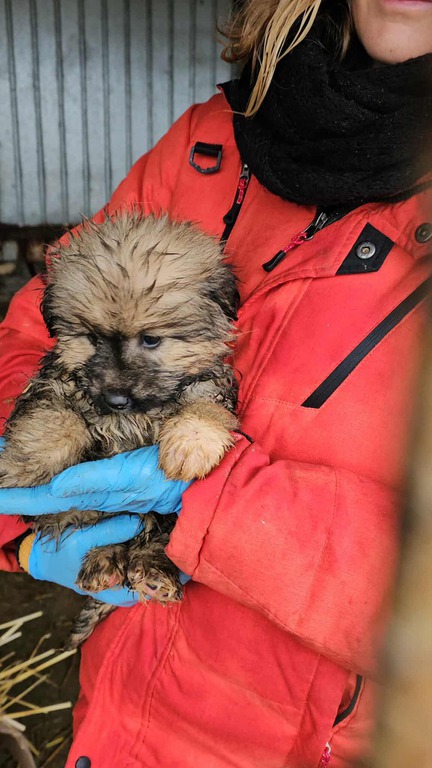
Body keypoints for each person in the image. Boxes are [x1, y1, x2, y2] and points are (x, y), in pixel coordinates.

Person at [0, 0, 431, 765]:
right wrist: (24, 530)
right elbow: (38, 332)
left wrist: (222, 497)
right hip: (115, 715)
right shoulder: (213, 135)